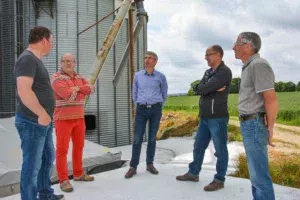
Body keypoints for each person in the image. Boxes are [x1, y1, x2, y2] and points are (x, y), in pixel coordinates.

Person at [14, 26, 64, 200]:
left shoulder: (35, 60)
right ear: (43, 40)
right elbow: (24, 90)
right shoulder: (27, 59)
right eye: (51, 41)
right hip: (32, 122)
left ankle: (45, 195)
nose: (52, 45)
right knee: (32, 166)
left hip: (43, 122)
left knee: (47, 157)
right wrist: (42, 114)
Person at [176, 45, 232, 191]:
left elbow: (205, 88)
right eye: (205, 55)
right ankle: (193, 173)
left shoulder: (224, 72)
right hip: (205, 117)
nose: (205, 58)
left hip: (218, 118)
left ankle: (219, 180)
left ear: (218, 55)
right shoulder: (208, 72)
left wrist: (206, 88)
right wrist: (205, 88)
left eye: (208, 55)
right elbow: (200, 87)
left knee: (220, 150)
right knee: (198, 147)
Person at [233, 32, 278, 200]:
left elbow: (271, 98)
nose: (233, 47)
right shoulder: (249, 66)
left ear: (247, 46)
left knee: (259, 175)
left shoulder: (258, 65)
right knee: (255, 174)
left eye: (236, 43)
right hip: (249, 124)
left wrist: (270, 128)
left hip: (254, 124)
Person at [51, 53, 95, 192]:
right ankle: (63, 180)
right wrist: (80, 90)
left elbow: (91, 89)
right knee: (62, 150)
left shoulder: (80, 76)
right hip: (63, 120)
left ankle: (78, 173)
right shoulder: (56, 77)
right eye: (65, 61)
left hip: (79, 118)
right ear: (61, 63)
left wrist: (77, 89)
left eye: (70, 61)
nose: (68, 64)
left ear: (74, 63)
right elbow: (68, 96)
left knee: (79, 147)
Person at [124, 51, 168, 178]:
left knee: (152, 138)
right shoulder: (138, 76)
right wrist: (139, 104)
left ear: (155, 61)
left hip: (155, 110)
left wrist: (158, 105)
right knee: (137, 138)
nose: (147, 60)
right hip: (141, 110)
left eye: (150, 58)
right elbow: (134, 93)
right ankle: (133, 167)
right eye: (145, 57)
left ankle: (150, 164)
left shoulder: (161, 76)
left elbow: (164, 93)